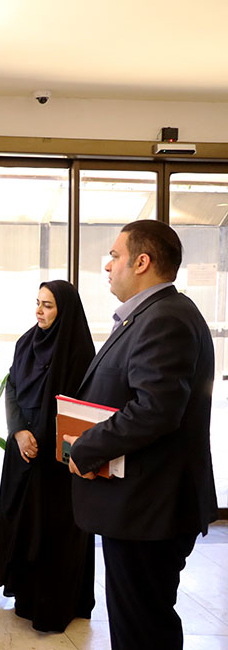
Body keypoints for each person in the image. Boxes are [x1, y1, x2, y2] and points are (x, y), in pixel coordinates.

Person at [65, 220, 218, 650]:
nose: (108, 265)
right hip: (142, 505)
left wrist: (87, 446)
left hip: (150, 508)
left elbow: (155, 410)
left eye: (115, 256)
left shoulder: (164, 318)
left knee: (142, 629)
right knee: (138, 620)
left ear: (142, 262)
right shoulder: (152, 315)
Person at [0, 280, 96, 632]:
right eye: (37, 303)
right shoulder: (26, 342)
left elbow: (82, 409)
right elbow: (12, 387)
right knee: (23, 523)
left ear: (65, 310)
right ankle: (25, 595)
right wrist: (19, 431)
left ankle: (55, 605)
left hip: (57, 459)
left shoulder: (78, 351)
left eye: (47, 305)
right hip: (23, 449)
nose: (39, 311)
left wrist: (45, 439)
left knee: (54, 530)